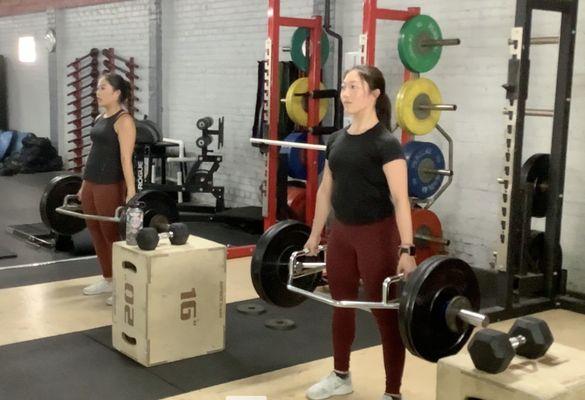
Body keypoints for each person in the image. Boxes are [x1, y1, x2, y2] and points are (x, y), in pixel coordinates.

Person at [304, 65, 416, 400]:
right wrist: (314, 235)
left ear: (374, 94)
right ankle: (341, 376)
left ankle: (392, 392)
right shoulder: (337, 139)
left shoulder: (386, 144)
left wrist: (407, 249)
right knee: (340, 305)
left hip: (377, 237)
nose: (345, 94)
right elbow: (325, 191)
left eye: (354, 86)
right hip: (341, 235)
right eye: (344, 86)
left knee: (384, 313)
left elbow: (400, 199)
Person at [77, 73, 137, 305]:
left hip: (109, 184)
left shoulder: (124, 121)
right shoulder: (101, 117)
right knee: (94, 229)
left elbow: (125, 158)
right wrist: (84, 184)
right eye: (97, 87)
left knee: (110, 234)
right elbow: (93, 153)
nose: (97, 92)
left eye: (102, 88)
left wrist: (131, 190)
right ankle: (108, 278)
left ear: (117, 93)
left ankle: (122, 285)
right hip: (92, 182)